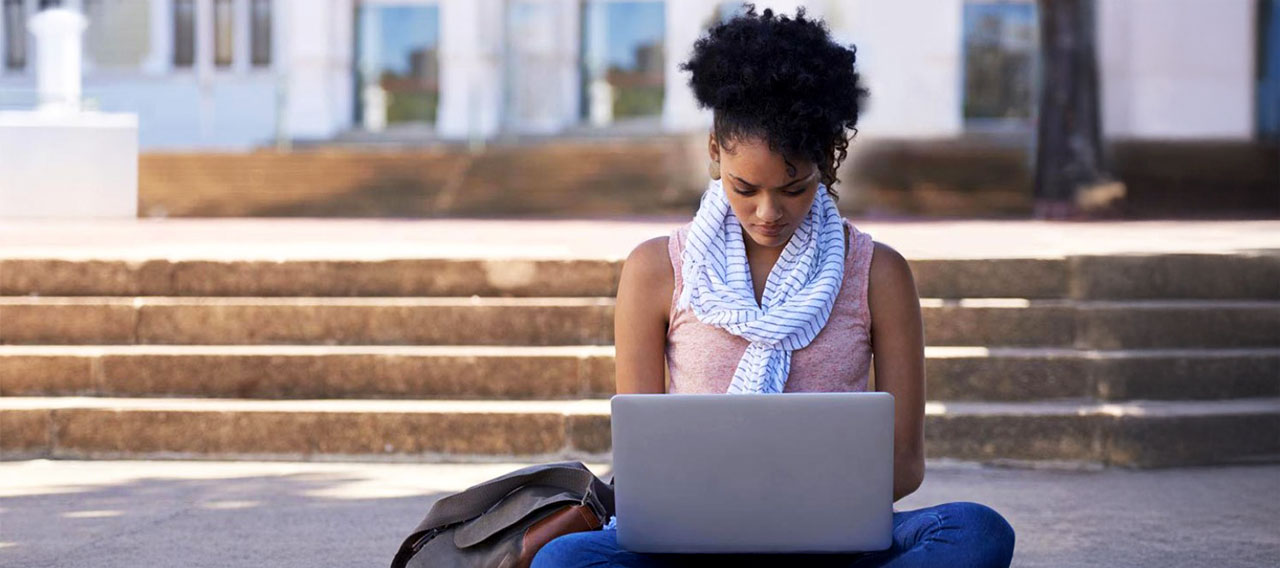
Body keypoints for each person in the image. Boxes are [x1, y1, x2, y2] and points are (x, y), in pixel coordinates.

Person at [533, 6, 1015, 567]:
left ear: (828, 160)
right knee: (564, 560)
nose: (767, 213)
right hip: (696, 538)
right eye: (745, 187)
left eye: (794, 188)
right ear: (714, 150)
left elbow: (905, 462)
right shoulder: (656, 270)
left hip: (831, 538)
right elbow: (643, 465)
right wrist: (722, 509)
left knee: (976, 532)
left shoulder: (878, 273)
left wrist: (798, 508)